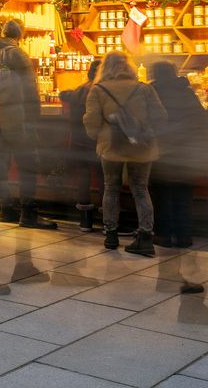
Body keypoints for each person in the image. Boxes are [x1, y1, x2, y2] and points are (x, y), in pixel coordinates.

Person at [83, 52, 167, 256]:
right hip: (141, 147)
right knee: (140, 189)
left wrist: (100, 136)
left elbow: (91, 123)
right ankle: (146, 236)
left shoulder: (99, 90)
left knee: (111, 188)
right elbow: (161, 117)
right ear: (129, 67)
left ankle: (111, 235)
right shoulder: (144, 88)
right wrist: (142, 130)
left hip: (111, 147)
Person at [0, 21, 56, 229]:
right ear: (20, 35)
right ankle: (29, 213)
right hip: (18, 116)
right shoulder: (16, 54)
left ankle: (6, 210)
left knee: (1, 163)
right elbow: (30, 89)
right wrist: (34, 118)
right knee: (26, 164)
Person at [148, 62, 205, 249]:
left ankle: (163, 235)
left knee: (161, 196)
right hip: (185, 155)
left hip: (161, 153)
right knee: (183, 197)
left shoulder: (152, 93)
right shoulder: (187, 92)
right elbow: (201, 120)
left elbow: (146, 120)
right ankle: (184, 236)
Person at [60, 58, 102, 231]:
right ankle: (108, 219)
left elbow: (64, 94)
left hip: (79, 140)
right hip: (97, 141)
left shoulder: (80, 90)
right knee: (104, 179)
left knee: (83, 177)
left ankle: (85, 220)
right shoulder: (101, 91)